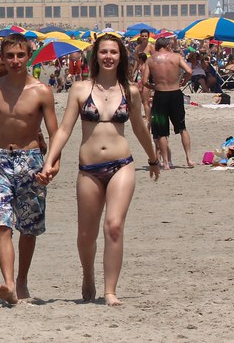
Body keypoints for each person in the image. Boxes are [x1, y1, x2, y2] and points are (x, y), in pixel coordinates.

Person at [38, 33, 161, 306]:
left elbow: (140, 128)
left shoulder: (131, 91)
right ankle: (88, 274)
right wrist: (49, 161)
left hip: (122, 165)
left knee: (114, 226)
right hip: (89, 169)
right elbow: (65, 129)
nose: (108, 57)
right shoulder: (81, 89)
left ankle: (110, 291)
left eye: (113, 52)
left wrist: (153, 158)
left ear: (121, 57)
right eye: (103, 52)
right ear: (96, 56)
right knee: (86, 235)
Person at [0, 34, 59, 305]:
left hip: (31, 161)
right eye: (10, 56)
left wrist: (53, 164)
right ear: (2, 58)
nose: (15, 61)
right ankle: (8, 283)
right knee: (1, 224)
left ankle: (21, 280)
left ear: (28, 56)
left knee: (28, 227)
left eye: (20, 55)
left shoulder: (42, 91)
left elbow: (55, 133)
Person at [140, 37, 195, 168]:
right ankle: (189, 159)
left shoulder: (151, 60)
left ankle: (165, 162)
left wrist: (154, 87)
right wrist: (184, 82)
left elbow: (144, 81)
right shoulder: (176, 57)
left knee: (161, 131)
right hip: (175, 93)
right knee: (182, 128)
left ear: (157, 47)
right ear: (167, 46)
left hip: (160, 95)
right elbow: (189, 71)